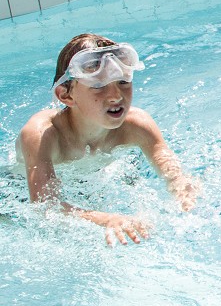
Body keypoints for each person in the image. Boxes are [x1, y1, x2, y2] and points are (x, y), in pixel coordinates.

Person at [17, 34, 199, 245]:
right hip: (15, 196)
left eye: (123, 81)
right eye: (98, 85)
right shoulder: (42, 134)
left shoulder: (136, 124)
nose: (116, 96)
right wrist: (107, 219)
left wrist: (184, 191)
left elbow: (172, 170)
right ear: (66, 96)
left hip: (91, 184)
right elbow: (45, 207)